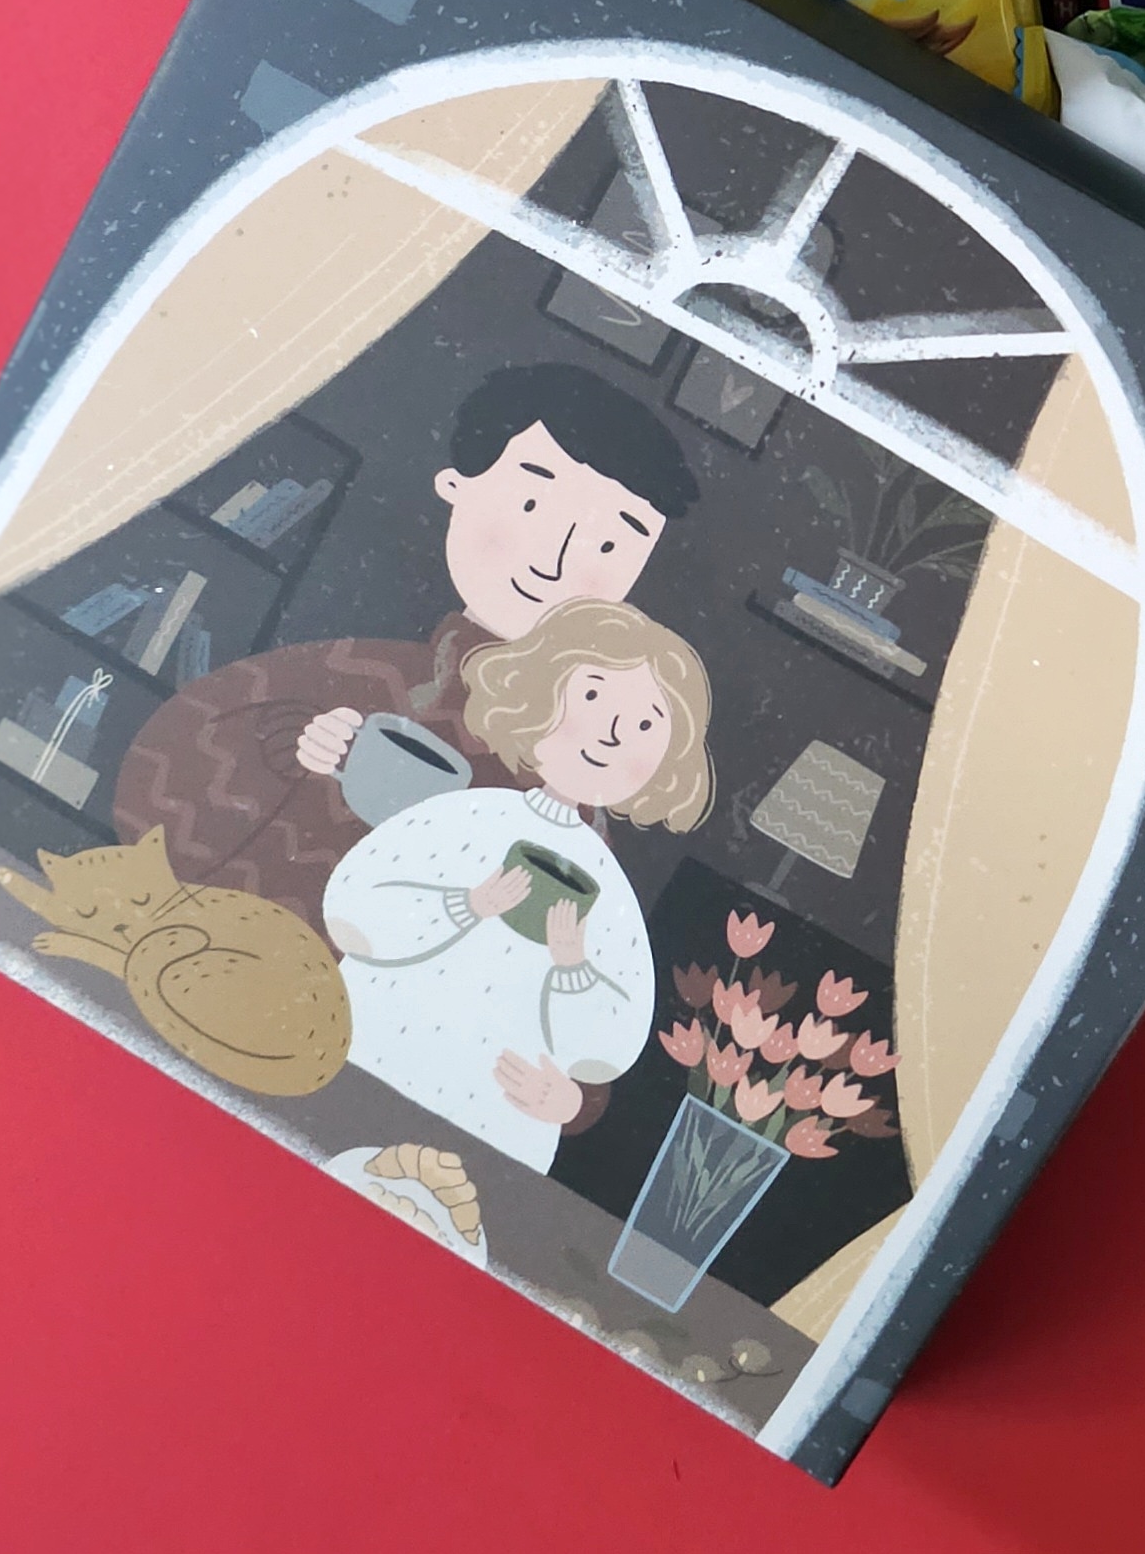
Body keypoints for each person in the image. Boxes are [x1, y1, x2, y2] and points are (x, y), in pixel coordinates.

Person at [112, 363, 697, 924]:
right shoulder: (362, 672)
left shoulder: (582, 756)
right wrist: (298, 744)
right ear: (455, 486)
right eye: (531, 506)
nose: (554, 560)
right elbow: (171, 769)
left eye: (609, 546)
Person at [323, 603, 714, 1170]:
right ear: (537, 697)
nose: (611, 733)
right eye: (592, 696)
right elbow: (352, 906)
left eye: (646, 725)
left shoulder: (611, 895)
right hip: (360, 1062)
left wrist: (573, 967)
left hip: (485, 1124)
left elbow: (611, 1045)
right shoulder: (465, 815)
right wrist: (466, 906)